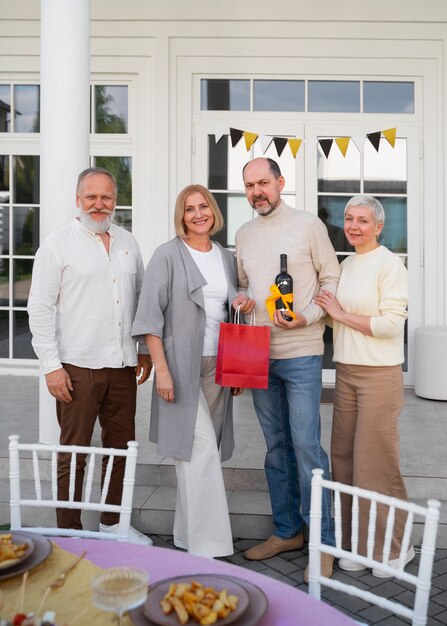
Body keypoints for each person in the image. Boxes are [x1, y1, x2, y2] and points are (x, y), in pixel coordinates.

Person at [27, 167, 152, 544]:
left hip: (123, 367)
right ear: (77, 200)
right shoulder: (57, 244)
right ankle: (68, 532)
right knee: (74, 453)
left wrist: (144, 349)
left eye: (107, 197)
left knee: (120, 449)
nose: (99, 204)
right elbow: (40, 307)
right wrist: (51, 366)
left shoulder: (130, 242)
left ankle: (114, 524)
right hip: (76, 368)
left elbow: (142, 301)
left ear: (116, 200)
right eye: (91, 197)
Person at [233, 157, 340, 581]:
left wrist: (308, 316)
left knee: (307, 446)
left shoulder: (308, 225)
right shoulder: (242, 234)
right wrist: (242, 299)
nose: (257, 191)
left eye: (263, 182)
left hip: (301, 352)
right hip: (258, 352)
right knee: (276, 447)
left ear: (280, 183)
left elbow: (331, 280)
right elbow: (245, 285)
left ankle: (323, 543)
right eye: (249, 185)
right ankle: (286, 531)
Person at [132, 184, 240, 558]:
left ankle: (185, 535)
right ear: (181, 216)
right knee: (200, 450)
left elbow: (230, 311)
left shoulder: (226, 257)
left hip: (218, 366)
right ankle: (209, 546)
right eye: (190, 208)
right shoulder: (167, 255)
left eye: (204, 206)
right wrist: (161, 369)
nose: (198, 214)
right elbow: (149, 317)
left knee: (194, 456)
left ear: (213, 211)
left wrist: (238, 367)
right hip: (179, 366)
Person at [314, 194, 412, 578]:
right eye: (349, 219)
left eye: (363, 220)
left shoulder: (391, 265)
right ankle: (358, 543)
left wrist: (339, 313)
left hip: (379, 376)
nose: (353, 226)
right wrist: (316, 315)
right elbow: (338, 321)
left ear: (379, 226)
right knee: (345, 460)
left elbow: (391, 324)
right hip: (346, 373)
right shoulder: (347, 263)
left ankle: (395, 548)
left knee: (376, 465)